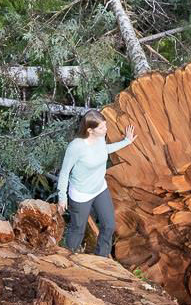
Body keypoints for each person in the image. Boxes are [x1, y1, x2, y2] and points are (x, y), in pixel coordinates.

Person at [56, 110, 136, 257]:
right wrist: (62, 197)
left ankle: (101, 260)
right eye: (101, 128)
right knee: (78, 229)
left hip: (100, 189)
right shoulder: (76, 147)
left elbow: (103, 151)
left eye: (105, 125)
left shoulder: (100, 139)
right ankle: (67, 259)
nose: (105, 129)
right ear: (90, 130)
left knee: (109, 225)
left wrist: (126, 142)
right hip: (81, 194)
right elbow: (65, 172)